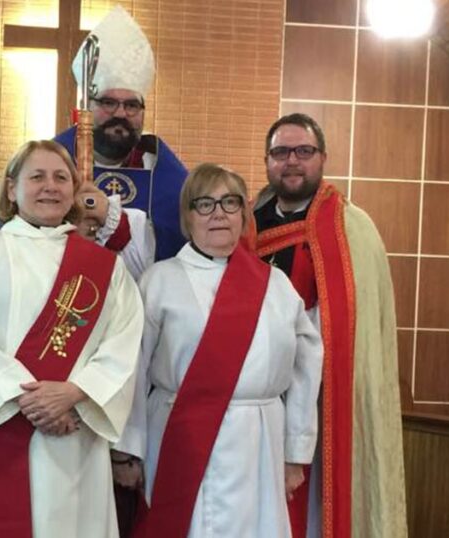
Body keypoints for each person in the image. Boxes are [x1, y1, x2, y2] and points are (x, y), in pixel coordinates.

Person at [0, 140, 144, 538]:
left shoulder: (105, 269)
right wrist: (29, 399)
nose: (50, 186)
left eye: (61, 177)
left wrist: (73, 392)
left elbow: (123, 342)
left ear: (73, 191)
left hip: (72, 435)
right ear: (12, 189)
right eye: (37, 176)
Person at [115, 163, 322, 537]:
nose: (219, 214)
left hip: (258, 439)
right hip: (182, 436)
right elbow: (132, 368)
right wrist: (128, 449)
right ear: (187, 216)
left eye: (229, 203)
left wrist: (296, 451)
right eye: (205, 204)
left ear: (244, 214)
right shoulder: (159, 281)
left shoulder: (275, 285)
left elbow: (306, 369)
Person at [250, 113, 407, 538]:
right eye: (281, 152)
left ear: (323, 157)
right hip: (257, 399)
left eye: (304, 151)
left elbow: (359, 325)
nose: (292, 162)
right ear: (267, 161)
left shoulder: (351, 226)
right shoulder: (249, 224)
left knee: (317, 509)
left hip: (324, 396)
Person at [53, 5, 188, 262]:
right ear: (87, 108)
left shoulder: (164, 172)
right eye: (108, 102)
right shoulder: (54, 159)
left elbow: (178, 248)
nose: (121, 114)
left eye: (132, 105)